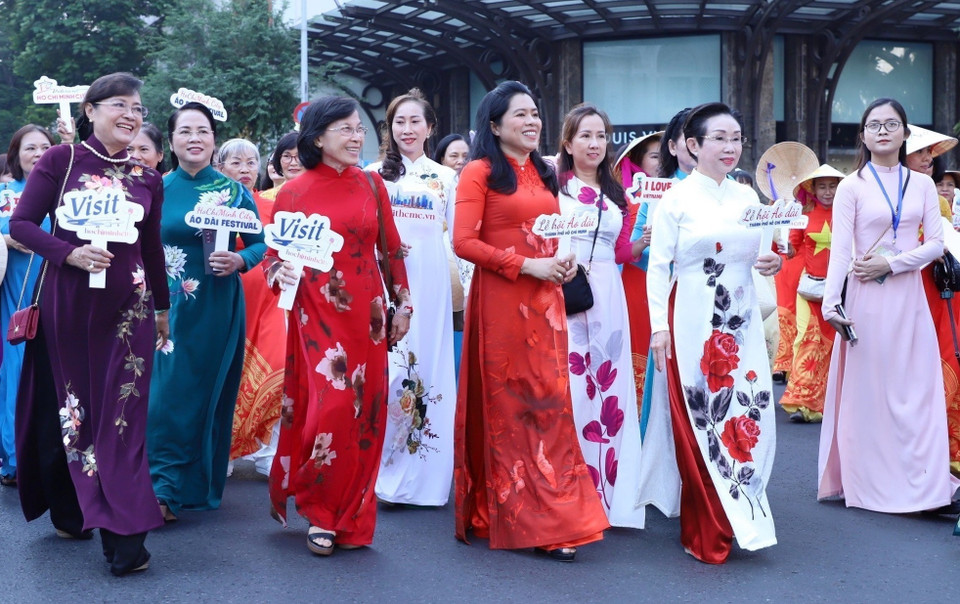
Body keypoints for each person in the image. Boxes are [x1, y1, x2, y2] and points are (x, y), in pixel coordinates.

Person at [10, 72, 169, 576]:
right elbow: (22, 224)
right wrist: (70, 254)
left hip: (131, 311)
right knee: (76, 414)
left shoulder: (147, 177)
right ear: (90, 111)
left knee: (122, 420)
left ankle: (124, 536)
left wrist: (163, 308)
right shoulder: (63, 161)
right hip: (71, 307)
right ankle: (81, 509)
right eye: (119, 104)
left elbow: (150, 249)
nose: (130, 114)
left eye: (138, 108)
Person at [453, 80, 609, 562]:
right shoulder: (478, 173)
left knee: (550, 402)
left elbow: (549, 234)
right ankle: (527, 518)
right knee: (511, 406)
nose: (531, 121)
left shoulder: (546, 173)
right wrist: (524, 265)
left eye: (535, 113)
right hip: (502, 301)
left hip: (546, 302)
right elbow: (463, 242)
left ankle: (556, 514)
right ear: (495, 124)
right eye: (519, 114)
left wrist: (560, 263)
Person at [266, 95, 412, 555]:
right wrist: (278, 273)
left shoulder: (372, 185)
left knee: (366, 415)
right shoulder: (293, 191)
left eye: (359, 129)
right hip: (317, 316)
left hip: (367, 318)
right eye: (345, 129)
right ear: (317, 137)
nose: (356, 137)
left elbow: (391, 250)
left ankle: (351, 517)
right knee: (329, 409)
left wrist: (402, 305)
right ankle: (320, 508)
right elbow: (274, 257)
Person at [647, 102, 781, 563]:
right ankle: (707, 525)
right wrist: (658, 328)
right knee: (700, 418)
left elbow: (766, 256)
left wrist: (774, 262)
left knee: (747, 414)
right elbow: (658, 268)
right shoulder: (675, 200)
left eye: (737, 138)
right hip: (692, 321)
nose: (730, 147)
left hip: (740, 326)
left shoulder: (747, 198)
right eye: (719, 138)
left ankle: (741, 509)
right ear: (693, 145)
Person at [820, 98, 958, 513]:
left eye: (892, 123)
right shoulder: (852, 186)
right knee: (872, 393)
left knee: (917, 390)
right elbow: (840, 252)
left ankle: (924, 482)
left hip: (909, 296)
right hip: (866, 298)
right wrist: (831, 303)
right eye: (874, 124)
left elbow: (935, 243)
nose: (883, 130)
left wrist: (894, 263)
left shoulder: (920, 185)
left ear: (904, 133)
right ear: (862, 135)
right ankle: (874, 482)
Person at [147, 103, 266, 522]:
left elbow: (258, 243)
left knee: (206, 393)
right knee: (164, 398)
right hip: (167, 306)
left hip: (217, 306)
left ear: (213, 140)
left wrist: (239, 260)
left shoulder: (234, 191)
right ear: (172, 141)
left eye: (203, 131)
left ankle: (193, 485)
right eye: (185, 131)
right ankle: (161, 487)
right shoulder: (155, 187)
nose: (194, 138)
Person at [556, 103, 650, 527]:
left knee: (609, 388)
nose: (594, 144)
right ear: (568, 142)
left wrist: (641, 243)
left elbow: (617, 253)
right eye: (585, 136)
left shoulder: (618, 193)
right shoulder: (554, 187)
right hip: (567, 292)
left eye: (600, 136)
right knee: (572, 387)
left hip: (609, 296)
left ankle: (610, 493)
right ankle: (569, 492)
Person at [366, 89, 458, 506]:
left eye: (415, 121)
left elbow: (457, 240)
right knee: (389, 370)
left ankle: (424, 477)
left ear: (430, 127)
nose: (407, 129)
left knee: (429, 370)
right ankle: (381, 471)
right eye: (399, 122)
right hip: (385, 283)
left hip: (433, 283)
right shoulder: (372, 175)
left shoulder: (447, 177)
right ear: (390, 128)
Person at [217, 138, 286, 476]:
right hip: (229, 294)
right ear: (220, 167)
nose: (244, 169)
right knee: (228, 369)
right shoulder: (210, 204)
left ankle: (266, 447)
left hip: (271, 297)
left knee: (275, 366)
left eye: (250, 162)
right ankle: (223, 450)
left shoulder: (271, 204)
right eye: (235, 163)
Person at [0, 125, 55, 487]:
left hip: (57, 291)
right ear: (16, 154)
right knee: (15, 371)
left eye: (45, 147)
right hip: (15, 294)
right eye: (30, 147)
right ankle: (13, 458)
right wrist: (4, 236)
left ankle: (51, 458)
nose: (37, 153)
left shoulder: (66, 192)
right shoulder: (5, 193)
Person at [903, 125, 960, 476]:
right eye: (921, 151)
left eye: (931, 154)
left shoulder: (938, 200)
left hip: (940, 292)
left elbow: (947, 242)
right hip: (904, 289)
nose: (929, 159)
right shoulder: (878, 195)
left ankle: (946, 450)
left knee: (945, 358)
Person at [777, 165, 844, 422]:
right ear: (813, 190)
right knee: (804, 340)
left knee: (832, 346)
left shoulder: (849, 213)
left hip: (840, 291)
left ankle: (829, 402)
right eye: (822, 186)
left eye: (833, 185)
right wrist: (782, 241)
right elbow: (791, 250)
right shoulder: (802, 215)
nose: (828, 192)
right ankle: (801, 401)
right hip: (809, 290)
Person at [615, 131, 661, 425]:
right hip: (635, 281)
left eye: (663, 156)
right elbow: (622, 250)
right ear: (637, 160)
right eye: (654, 157)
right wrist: (642, 242)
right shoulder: (625, 197)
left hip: (669, 283)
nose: (660, 162)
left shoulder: (679, 193)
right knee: (639, 345)